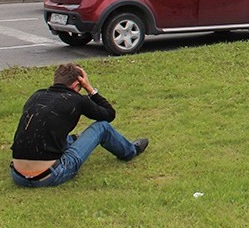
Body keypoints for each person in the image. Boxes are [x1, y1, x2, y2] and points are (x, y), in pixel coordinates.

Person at [10, 63, 148, 188]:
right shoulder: (77, 100)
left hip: (17, 175)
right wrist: (90, 89)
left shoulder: (37, 95)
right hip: (49, 176)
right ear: (78, 84)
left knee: (59, 136)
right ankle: (131, 151)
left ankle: (76, 139)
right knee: (102, 127)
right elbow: (109, 114)